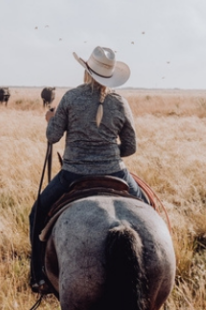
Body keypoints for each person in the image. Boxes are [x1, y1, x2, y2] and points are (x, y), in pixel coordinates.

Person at [29, 46, 149, 295]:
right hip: (116, 172)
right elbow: (131, 146)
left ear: (86, 71)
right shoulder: (120, 102)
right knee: (149, 210)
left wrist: (51, 120)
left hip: (73, 174)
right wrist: (108, 153)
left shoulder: (71, 98)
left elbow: (53, 136)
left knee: (37, 213)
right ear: (111, 76)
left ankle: (38, 275)